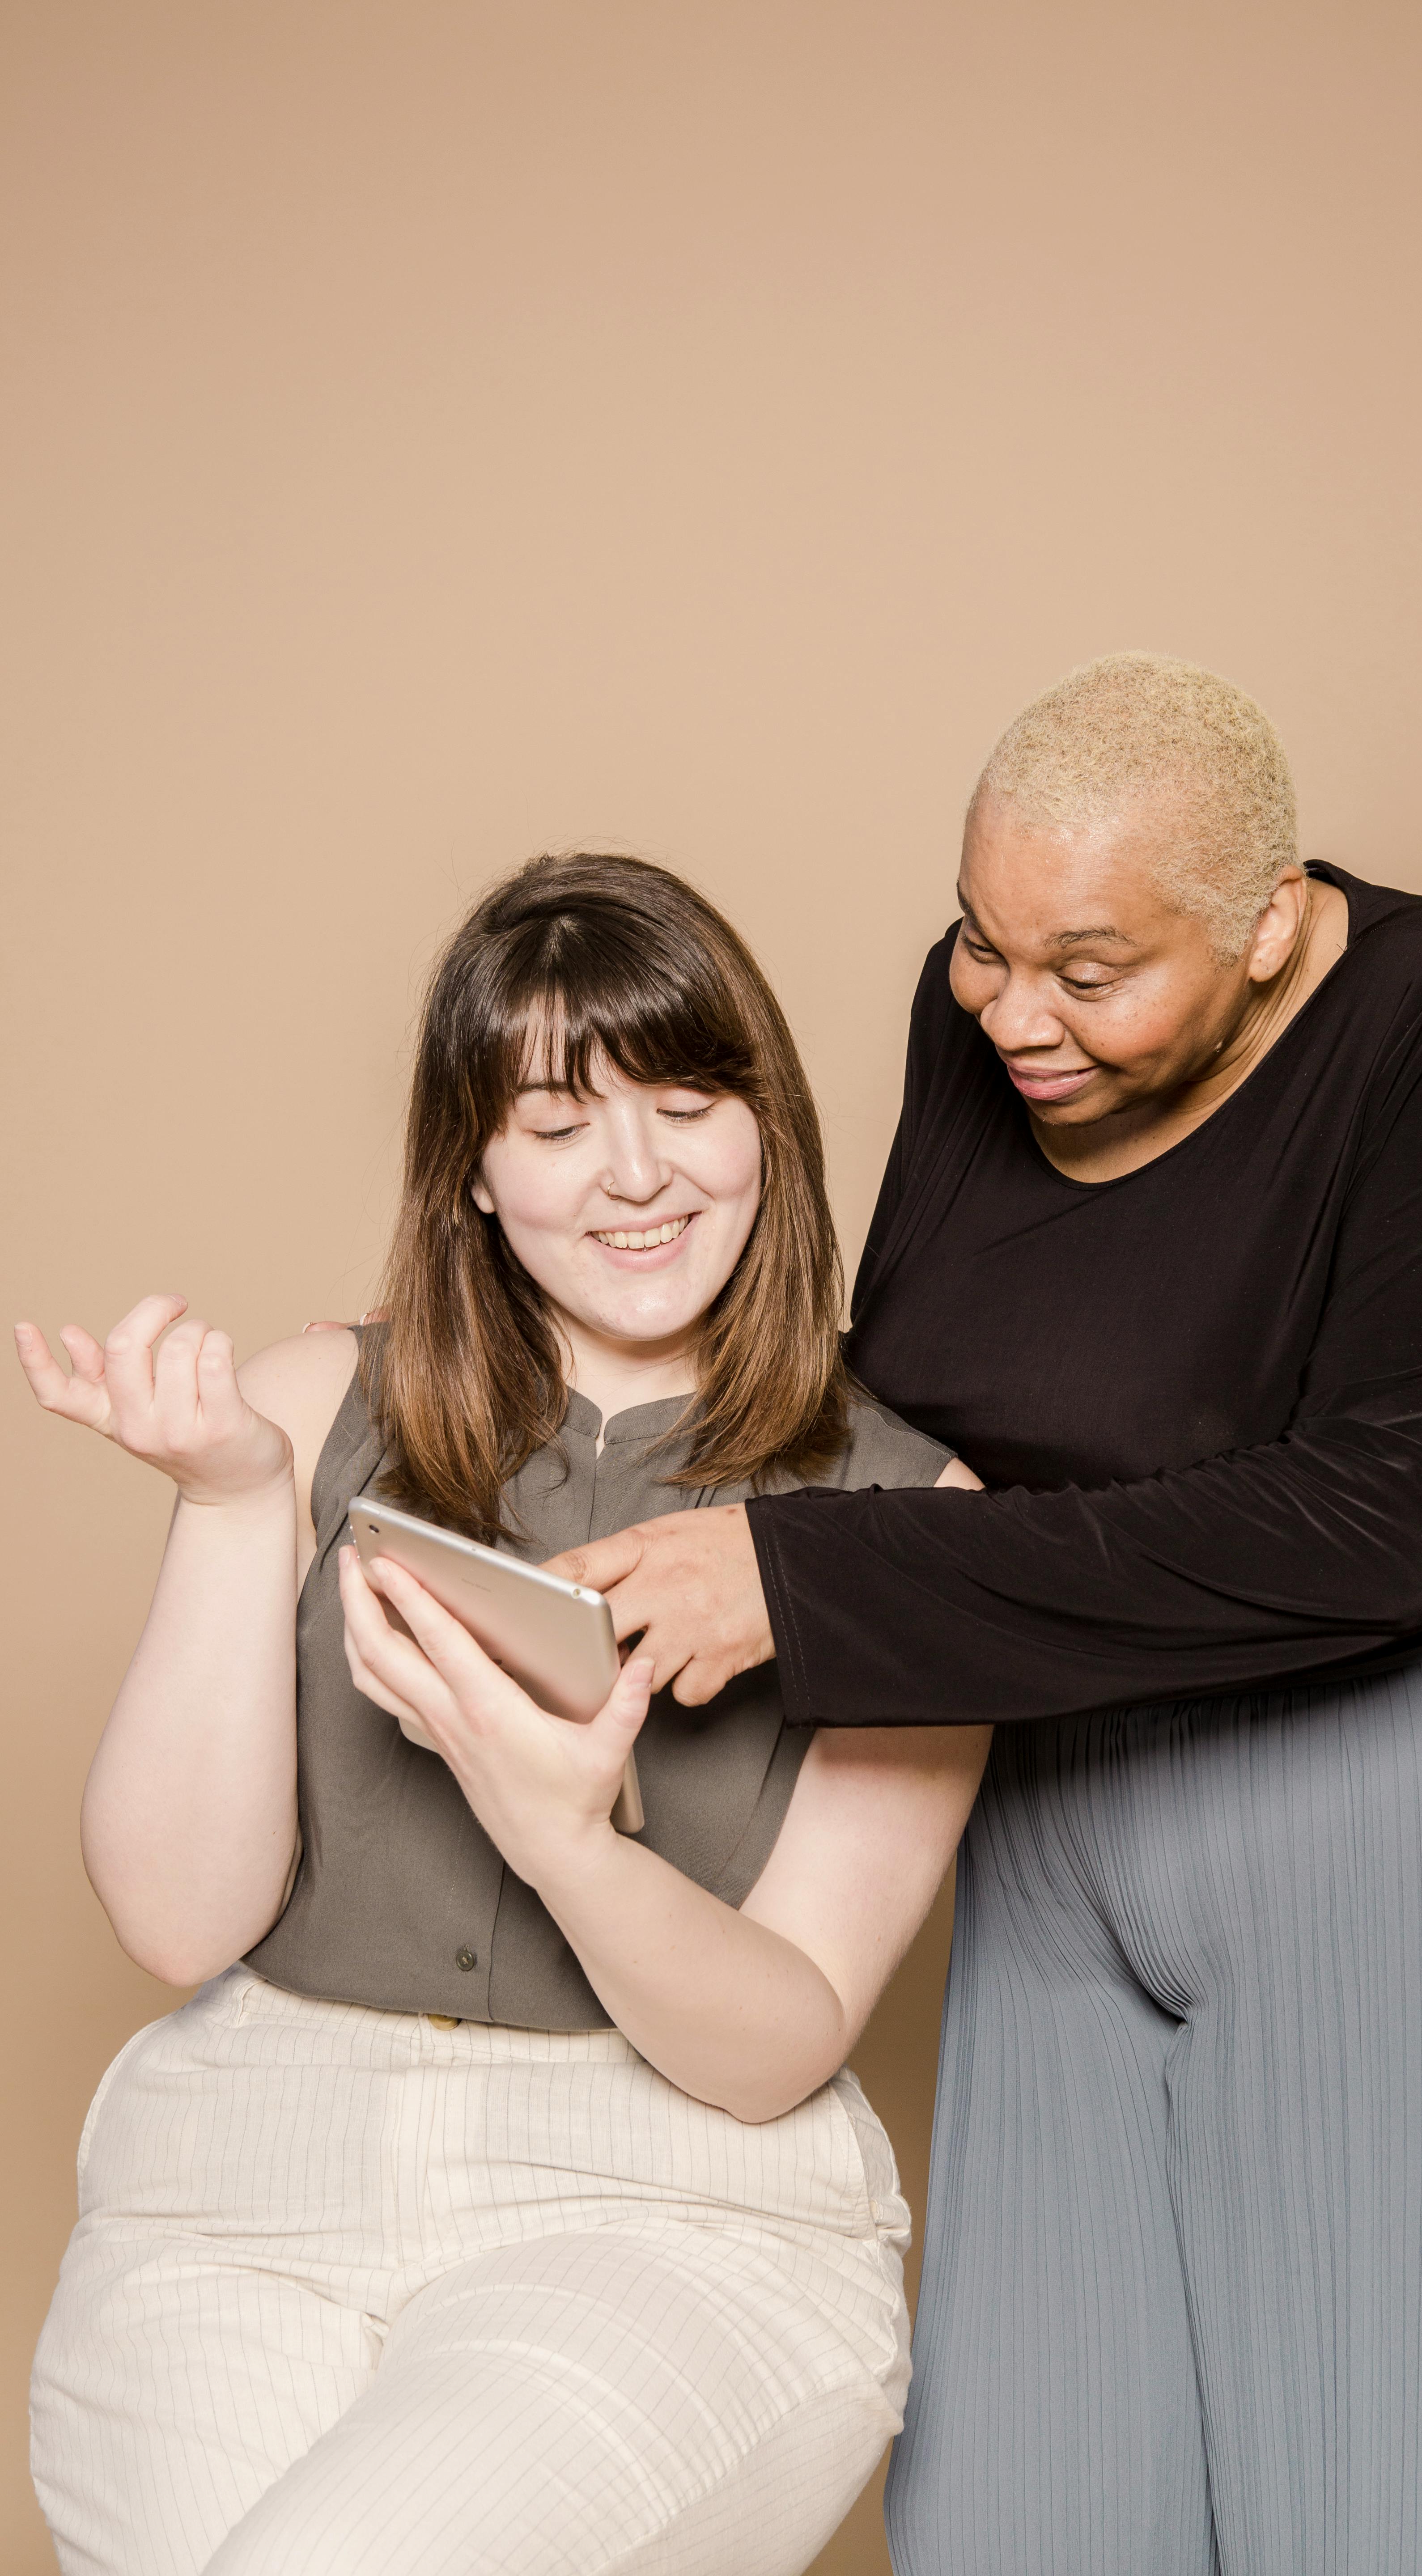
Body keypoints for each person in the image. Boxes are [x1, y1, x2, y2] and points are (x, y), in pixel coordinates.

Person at [562, 656, 1422, 2576]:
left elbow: (1383, 1529)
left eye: (1091, 970)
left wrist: (802, 1576)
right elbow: (941, 1396)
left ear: (1269, 929)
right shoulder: (1004, 1028)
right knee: (1028, 2515)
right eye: (980, 948)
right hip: (1074, 1764)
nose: (1019, 1014)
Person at [19, 852, 989, 2576]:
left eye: (689, 1104)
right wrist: (235, 1507)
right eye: (555, 1126)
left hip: (670, 2207)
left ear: (767, 1128)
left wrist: (558, 1833)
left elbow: (776, 2041)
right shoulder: (311, 1404)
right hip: (240, 2185)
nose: (636, 1175)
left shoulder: (913, 1512)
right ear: (471, 1168)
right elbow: (178, 1918)